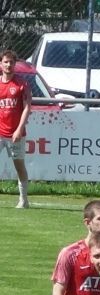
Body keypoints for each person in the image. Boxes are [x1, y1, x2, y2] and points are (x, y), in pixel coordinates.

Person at [0, 49, 31, 208]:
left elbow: (27, 108)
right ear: (1, 64)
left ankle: (23, 199)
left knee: (19, 166)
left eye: (11, 62)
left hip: (15, 134)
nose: (8, 65)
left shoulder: (22, 84)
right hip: (0, 132)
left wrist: (19, 129)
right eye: (6, 62)